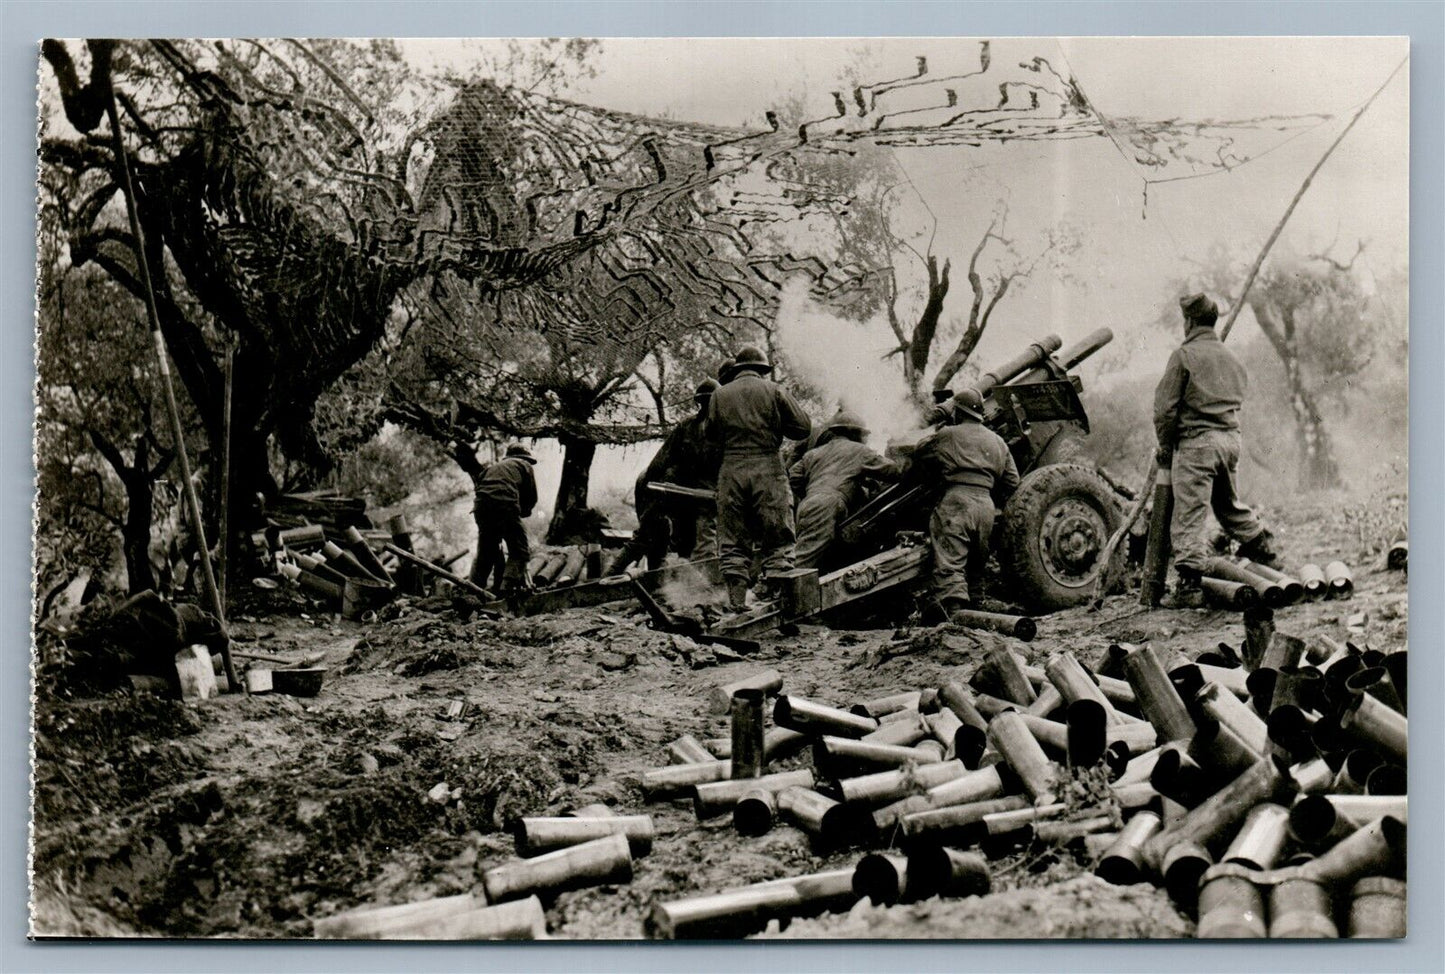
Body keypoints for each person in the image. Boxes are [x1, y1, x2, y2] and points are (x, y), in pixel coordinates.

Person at [1154, 292, 1282, 608]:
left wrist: (1166, 446)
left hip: (1198, 444)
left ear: (1189, 322)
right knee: (1228, 505)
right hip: (1230, 440)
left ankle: (1189, 587)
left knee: (1189, 515)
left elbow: (1164, 411)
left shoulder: (1183, 356)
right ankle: (1263, 551)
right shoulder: (1232, 358)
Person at [707, 345, 812, 610]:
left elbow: (711, 436)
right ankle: (779, 604)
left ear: (737, 369)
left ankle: (737, 604)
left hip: (731, 469)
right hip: (768, 468)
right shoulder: (774, 390)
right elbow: (802, 429)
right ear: (762, 369)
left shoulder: (718, 395)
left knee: (732, 538)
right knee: (777, 536)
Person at [909, 389, 1020, 614]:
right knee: (977, 562)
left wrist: (940, 425)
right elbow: (1013, 481)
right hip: (985, 506)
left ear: (957, 411)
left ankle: (954, 613)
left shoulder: (948, 434)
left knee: (950, 561)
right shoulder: (998, 441)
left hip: (957, 503)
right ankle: (977, 603)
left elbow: (919, 451)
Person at [608, 379, 722, 574]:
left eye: (710, 402)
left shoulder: (722, 430)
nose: (707, 407)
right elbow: (660, 461)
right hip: (674, 494)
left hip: (703, 498)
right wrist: (652, 490)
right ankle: (613, 575)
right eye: (705, 402)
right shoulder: (687, 427)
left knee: (693, 543)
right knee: (650, 535)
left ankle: (694, 584)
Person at [789, 409, 899, 569]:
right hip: (828, 505)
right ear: (854, 433)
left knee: (817, 556)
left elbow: (793, 476)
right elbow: (893, 470)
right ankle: (779, 585)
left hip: (808, 503)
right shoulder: (859, 450)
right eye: (863, 434)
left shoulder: (813, 453)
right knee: (804, 562)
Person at [473, 443, 539, 594]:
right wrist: (523, 512)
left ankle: (474, 591)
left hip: (481, 509)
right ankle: (507, 590)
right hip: (505, 506)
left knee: (487, 551)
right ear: (524, 458)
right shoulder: (524, 465)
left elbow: (480, 490)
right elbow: (531, 497)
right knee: (519, 550)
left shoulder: (491, 468)